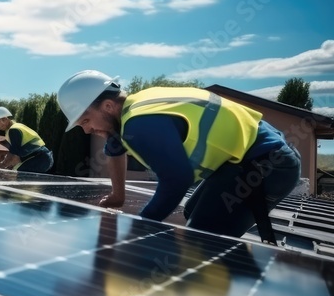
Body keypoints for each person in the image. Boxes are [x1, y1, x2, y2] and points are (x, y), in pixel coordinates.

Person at [57, 70, 301, 243]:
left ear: (108, 106)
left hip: (266, 165)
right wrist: (117, 195)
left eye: (86, 120)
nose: (87, 130)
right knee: (191, 211)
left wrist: (140, 227)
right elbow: (114, 149)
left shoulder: (140, 124)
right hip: (246, 161)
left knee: (201, 239)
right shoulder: (135, 108)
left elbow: (176, 182)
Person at [0, 106, 53, 173]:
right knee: (20, 173)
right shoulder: (16, 127)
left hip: (40, 158)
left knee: (21, 174)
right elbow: (18, 156)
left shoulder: (13, 130)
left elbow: (13, 154)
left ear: (4, 120)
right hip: (43, 158)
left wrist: (2, 165)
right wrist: (11, 165)